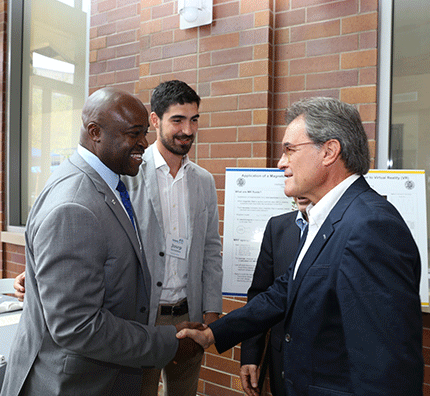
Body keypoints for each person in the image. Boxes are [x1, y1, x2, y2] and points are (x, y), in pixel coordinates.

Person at [178, 96, 424, 396]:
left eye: (289, 150)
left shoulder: (370, 227)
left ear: (330, 151)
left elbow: (388, 367)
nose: (281, 162)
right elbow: (286, 291)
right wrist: (214, 333)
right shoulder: (327, 217)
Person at [2, 87, 202, 396]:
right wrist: (166, 343)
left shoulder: (108, 184)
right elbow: (77, 325)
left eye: (145, 133)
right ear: (94, 132)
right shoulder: (76, 205)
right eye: (134, 134)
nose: (144, 144)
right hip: (75, 384)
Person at [122, 79, 223, 396]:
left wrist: (212, 310)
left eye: (193, 120)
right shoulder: (130, 175)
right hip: (143, 318)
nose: (188, 130)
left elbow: (210, 250)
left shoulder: (204, 181)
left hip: (188, 316)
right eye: (177, 120)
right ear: (155, 120)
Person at [240, 197, 310, 396]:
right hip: (282, 360)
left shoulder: (344, 227)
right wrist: (250, 356)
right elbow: (261, 295)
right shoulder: (277, 227)